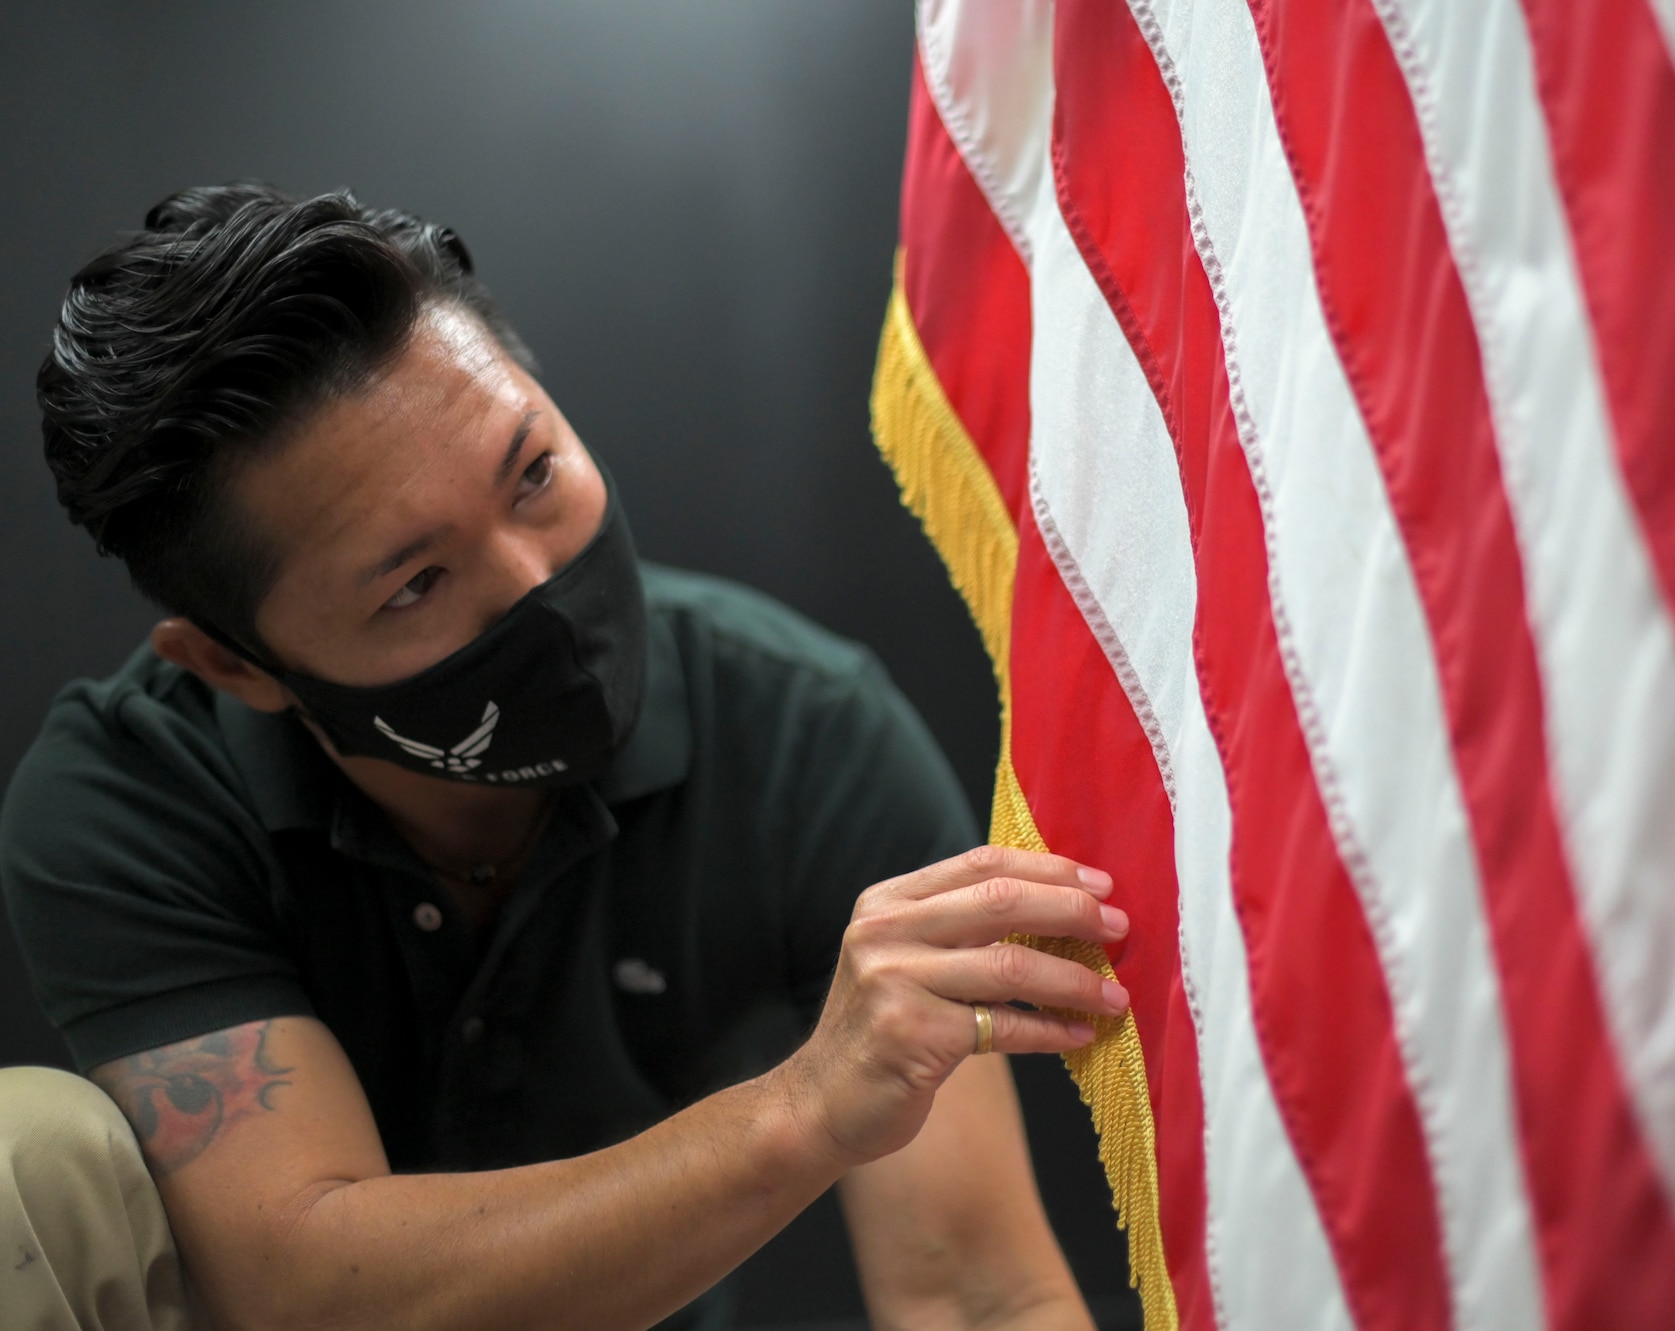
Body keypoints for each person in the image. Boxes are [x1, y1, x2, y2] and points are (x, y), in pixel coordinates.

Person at [0, 183, 1131, 1331]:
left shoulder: (801, 730)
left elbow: (977, 1295)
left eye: (531, 472)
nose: (538, 585)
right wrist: (804, 1107)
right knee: (23, 1163)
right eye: (416, 583)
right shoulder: (132, 792)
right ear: (236, 665)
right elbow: (306, 1285)